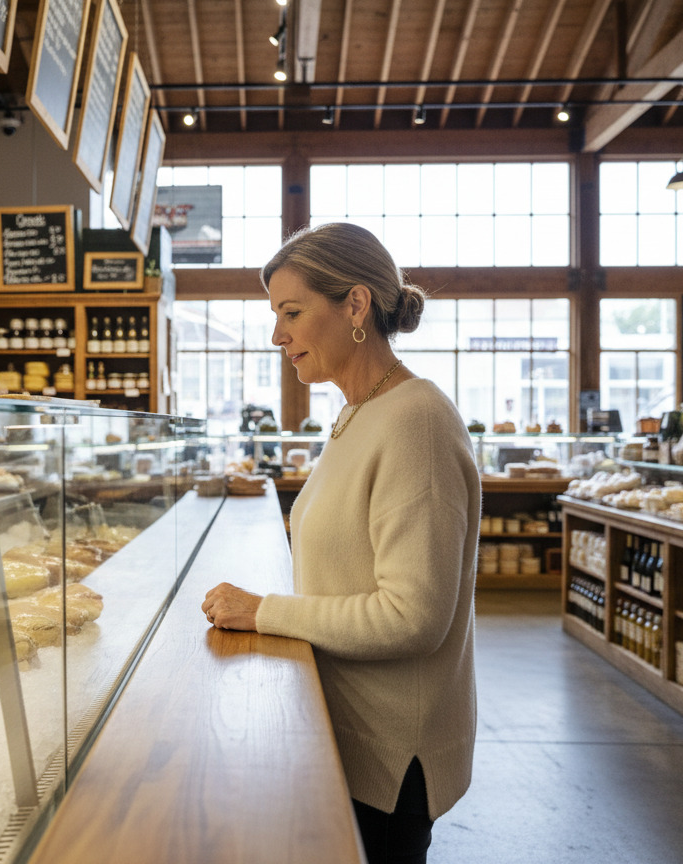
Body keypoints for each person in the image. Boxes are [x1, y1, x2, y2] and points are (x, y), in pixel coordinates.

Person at [202, 223, 479, 864]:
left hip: (387, 757)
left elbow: (413, 618)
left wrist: (264, 610)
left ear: (355, 305)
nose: (278, 335)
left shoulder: (418, 421)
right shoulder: (358, 410)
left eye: (292, 313)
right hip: (344, 734)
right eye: (276, 315)